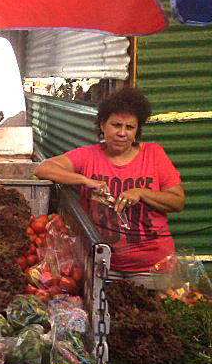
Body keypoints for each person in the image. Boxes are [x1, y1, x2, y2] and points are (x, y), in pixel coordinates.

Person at [33, 88, 185, 284]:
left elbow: (177, 201)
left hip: (152, 268)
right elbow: (43, 168)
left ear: (137, 130)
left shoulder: (154, 154)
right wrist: (85, 181)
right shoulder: (88, 156)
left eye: (130, 127)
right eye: (116, 125)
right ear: (102, 125)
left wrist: (142, 193)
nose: (122, 133)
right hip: (102, 265)